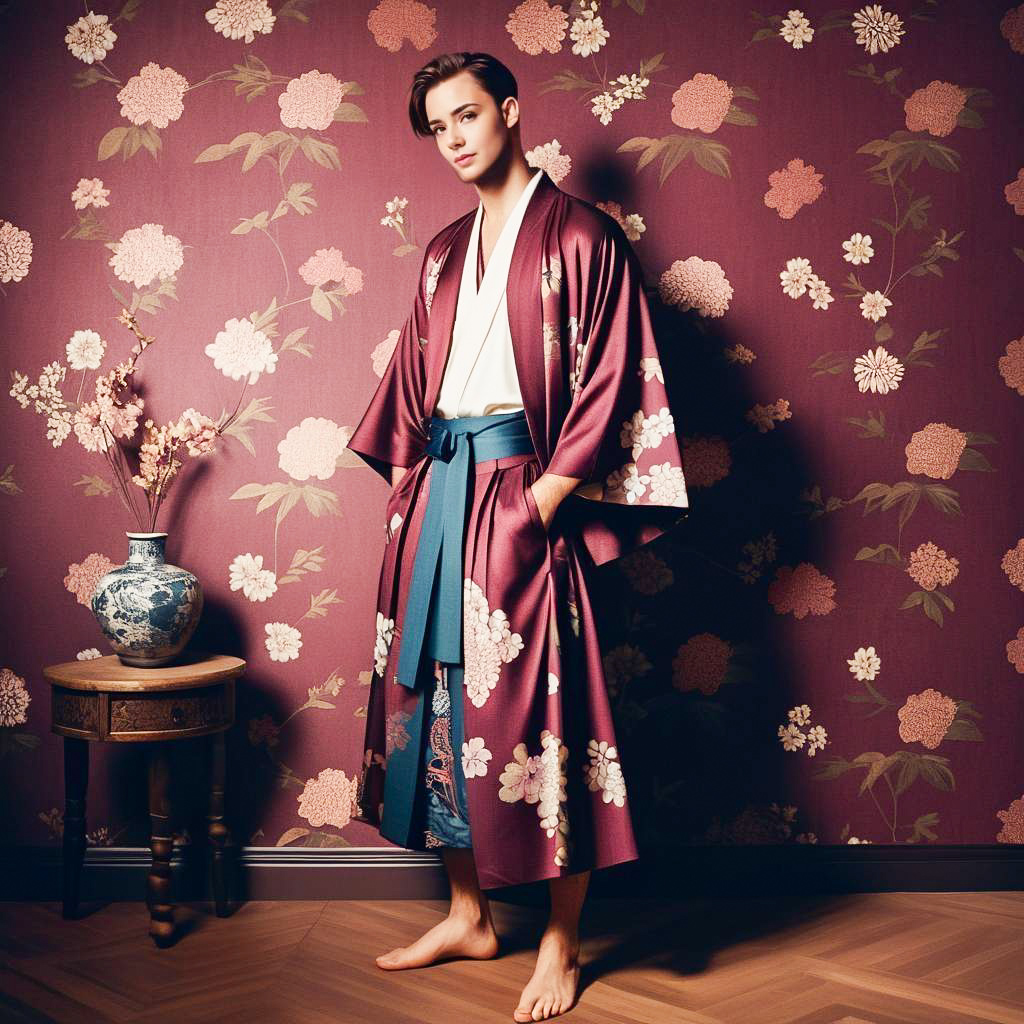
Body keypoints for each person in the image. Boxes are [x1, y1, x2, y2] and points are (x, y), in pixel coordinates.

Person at [346, 51, 689, 1022]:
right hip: (439, 489)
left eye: (466, 115)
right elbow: (414, 380)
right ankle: (468, 912)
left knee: (545, 712)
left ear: (508, 109)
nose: (453, 138)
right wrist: (411, 487)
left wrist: (543, 500)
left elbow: (611, 376)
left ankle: (559, 940)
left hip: (521, 489)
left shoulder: (583, 235)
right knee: (440, 702)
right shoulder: (443, 250)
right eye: (437, 126)